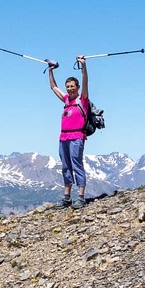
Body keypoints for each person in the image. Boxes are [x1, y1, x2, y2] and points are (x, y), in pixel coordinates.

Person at [47, 56, 91, 208]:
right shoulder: (66, 100)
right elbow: (53, 87)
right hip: (63, 137)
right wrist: (50, 70)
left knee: (77, 164)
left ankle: (81, 196)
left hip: (77, 136)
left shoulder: (82, 100)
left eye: (72, 86)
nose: (70, 88)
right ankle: (67, 197)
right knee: (66, 166)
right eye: (68, 86)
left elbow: (86, 81)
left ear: (77, 87)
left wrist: (83, 66)